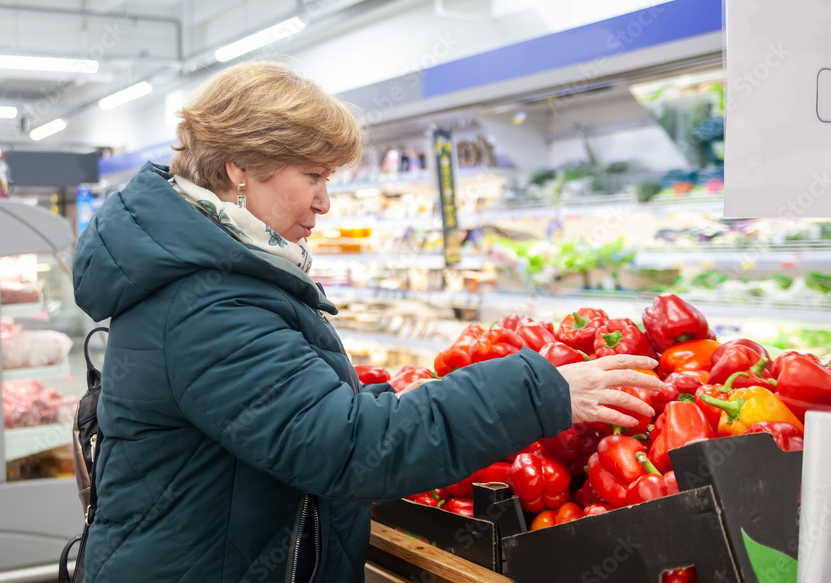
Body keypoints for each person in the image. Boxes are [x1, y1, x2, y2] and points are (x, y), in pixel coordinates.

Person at [72, 61, 663, 583]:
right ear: (239, 170)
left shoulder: (215, 272)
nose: (325, 202)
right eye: (313, 176)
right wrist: (539, 391)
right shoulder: (207, 304)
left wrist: (407, 396)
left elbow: (292, 418)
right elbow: (346, 447)